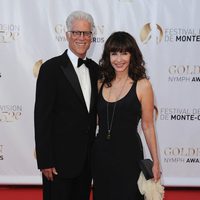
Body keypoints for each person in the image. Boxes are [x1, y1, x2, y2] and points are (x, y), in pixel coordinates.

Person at [34, 10, 99, 200]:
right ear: (67, 35)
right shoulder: (51, 69)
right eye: (76, 33)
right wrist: (45, 160)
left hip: (86, 163)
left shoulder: (96, 70)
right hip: (57, 165)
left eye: (86, 33)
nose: (81, 37)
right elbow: (42, 117)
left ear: (91, 37)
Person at [92, 31, 161, 200]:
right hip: (101, 155)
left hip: (128, 156)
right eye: (114, 53)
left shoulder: (142, 85)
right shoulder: (100, 82)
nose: (119, 59)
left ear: (132, 55)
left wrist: (156, 161)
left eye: (124, 53)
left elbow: (148, 125)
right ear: (108, 56)